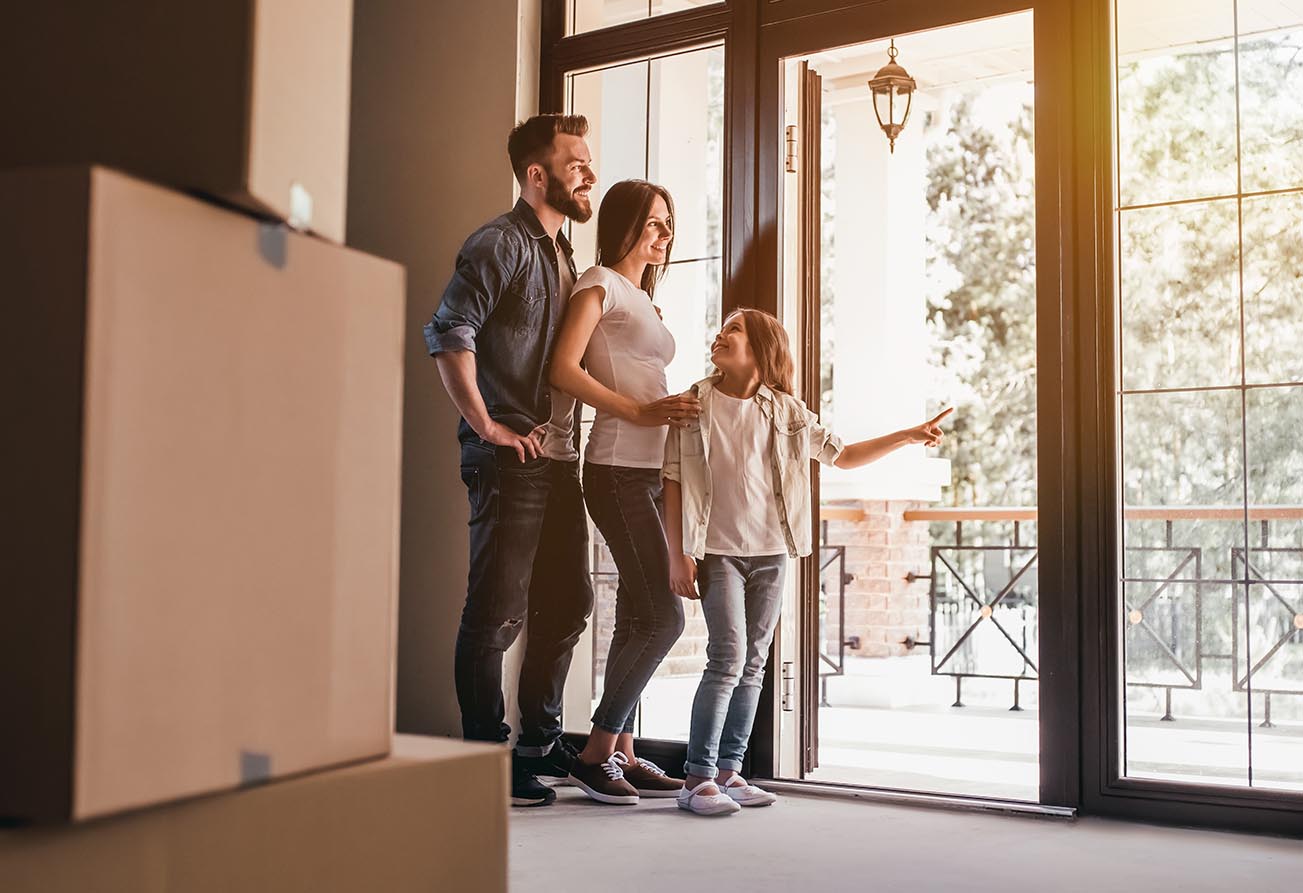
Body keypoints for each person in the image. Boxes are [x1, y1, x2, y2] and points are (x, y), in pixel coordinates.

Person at [663, 308, 952, 816]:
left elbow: (843, 454)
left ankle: (730, 771)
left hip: (774, 550)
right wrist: (677, 554)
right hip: (718, 552)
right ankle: (696, 778)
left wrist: (907, 436)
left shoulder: (789, 411)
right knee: (727, 659)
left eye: (733, 329)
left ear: (760, 347)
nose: (720, 334)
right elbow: (672, 480)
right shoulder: (694, 405)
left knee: (753, 663)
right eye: (721, 327)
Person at [423, 114, 597, 807]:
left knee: (569, 601)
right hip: (510, 458)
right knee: (496, 613)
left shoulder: (565, 255)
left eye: (588, 160)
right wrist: (486, 424)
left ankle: (536, 743)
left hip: (557, 460)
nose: (587, 171)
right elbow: (448, 331)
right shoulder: (500, 243)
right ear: (536, 175)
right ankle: (485, 755)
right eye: (574, 161)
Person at [549, 179, 701, 804]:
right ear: (624, 226)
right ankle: (594, 752)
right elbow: (564, 368)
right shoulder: (599, 283)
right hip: (613, 466)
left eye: (669, 225)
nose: (664, 236)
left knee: (640, 613)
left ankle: (624, 753)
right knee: (664, 613)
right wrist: (639, 413)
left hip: (646, 470)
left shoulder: (642, 297)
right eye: (654, 224)